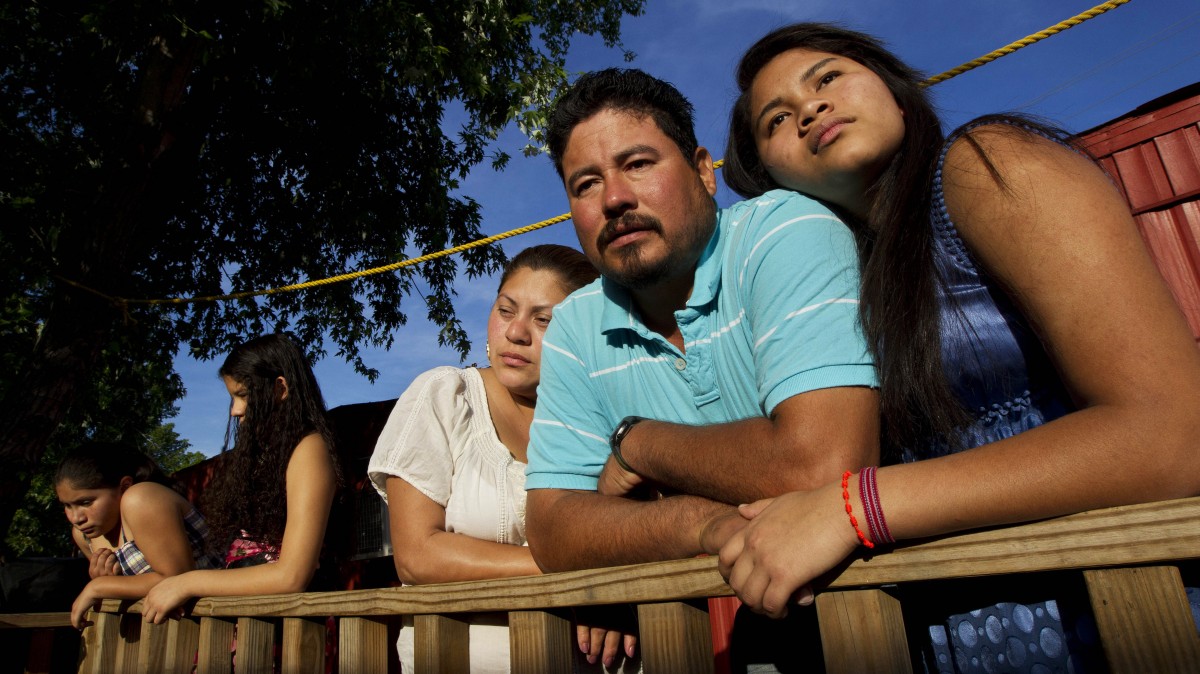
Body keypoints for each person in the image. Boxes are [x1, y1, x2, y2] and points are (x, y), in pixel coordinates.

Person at [716, 22, 1200, 670]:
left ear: (896, 89)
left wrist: (857, 506)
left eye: (827, 78)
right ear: (767, 173)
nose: (808, 110)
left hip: (1125, 619)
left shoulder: (982, 165)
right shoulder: (828, 295)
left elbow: (1173, 431)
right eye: (776, 119)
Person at [368, 244, 638, 673]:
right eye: (506, 310)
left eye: (544, 319)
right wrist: (584, 579)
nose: (516, 332)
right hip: (456, 658)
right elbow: (417, 555)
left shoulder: (602, 421)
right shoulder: (445, 396)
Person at [141, 333, 341, 623]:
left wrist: (185, 582)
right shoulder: (269, 454)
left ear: (280, 388)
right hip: (255, 622)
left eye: (243, 395)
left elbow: (292, 575)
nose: (234, 410)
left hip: (290, 631)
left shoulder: (309, 449)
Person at [57, 441, 219, 629]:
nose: (75, 517)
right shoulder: (84, 536)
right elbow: (132, 588)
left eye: (86, 502)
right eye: (67, 505)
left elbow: (178, 580)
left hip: (226, 623)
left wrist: (98, 586)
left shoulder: (142, 498)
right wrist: (112, 583)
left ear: (124, 486)